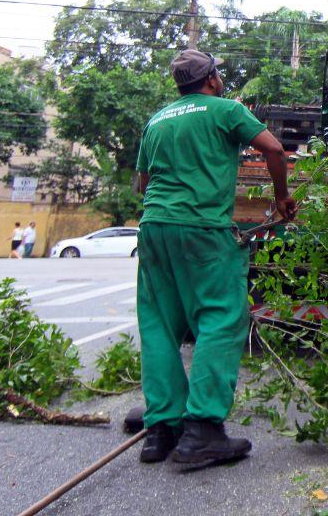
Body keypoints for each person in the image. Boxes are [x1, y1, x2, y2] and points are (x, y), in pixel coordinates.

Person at [133, 49, 297, 467]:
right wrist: (282, 198)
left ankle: (162, 429)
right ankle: (203, 430)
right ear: (211, 80)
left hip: (154, 227)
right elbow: (275, 151)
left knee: (159, 325)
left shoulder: (157, 120)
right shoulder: (226, 110)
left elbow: (143, 183)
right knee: (221, 319)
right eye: (218, 74)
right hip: (202, 230)